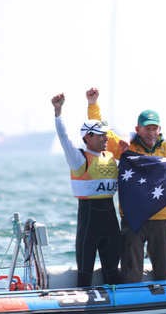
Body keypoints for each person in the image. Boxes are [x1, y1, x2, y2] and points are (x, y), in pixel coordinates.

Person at [86, 88, 166, 283]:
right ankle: (130, 306)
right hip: (133, 219)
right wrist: (93, 104)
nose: (151, 132)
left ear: (159, 130)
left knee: (164, 273)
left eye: (154, 128)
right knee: (131, 275)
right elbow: (102, 131)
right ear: (137, 129)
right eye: (146, 128)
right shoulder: (126, 147)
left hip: (161, 218)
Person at [51, 93, 122, 287]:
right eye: (101, 135)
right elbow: (64, 138)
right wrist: (58, 113)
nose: (106, 138)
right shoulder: (78, 158)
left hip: (110, 219)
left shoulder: (111, 156)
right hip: (89, 219)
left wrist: (92, 104)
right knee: (85, 275)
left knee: (112, 273)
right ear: (88, 137)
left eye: (106, 134)